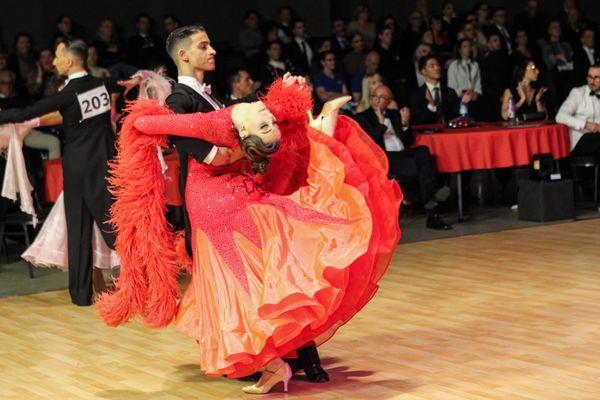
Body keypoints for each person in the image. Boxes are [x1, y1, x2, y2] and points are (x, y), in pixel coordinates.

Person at [96, 74, 401, 394]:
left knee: (250, 285)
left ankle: (273, 365)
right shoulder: (230, 120)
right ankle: (276, 363)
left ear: (244, 134)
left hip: (221, 207)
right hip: (227, 205)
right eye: (267, 124)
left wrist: (212, 146)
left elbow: (147, 123)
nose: (269, 118)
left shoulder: (219, 123)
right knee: (262, 279)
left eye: (267, 124)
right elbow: (268, 112)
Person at [162, 26, 329, 383]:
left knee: (265, 268)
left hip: (232, 192)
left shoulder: (210, 98)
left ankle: (284, 354)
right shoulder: (179, 102)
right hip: (213, 199)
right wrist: (248, 150)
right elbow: (211, 157)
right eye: (203, 46)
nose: (213, 51)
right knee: (258, 271)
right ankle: (286, 355)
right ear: (183, 56)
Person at [0, 39, 137, 306]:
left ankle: (81, 295)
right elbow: (131, 81)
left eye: (59, 57)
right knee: (115, 229)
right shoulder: (103, 85)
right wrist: (135, 80)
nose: (54, 61)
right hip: (104, 166)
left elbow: (26, 112)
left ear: (72, 61)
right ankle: (141, 284)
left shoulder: (67, 93)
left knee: (79, 230)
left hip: (76, 168)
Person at [354, 85, 451, 229]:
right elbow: (368, 144)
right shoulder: (362, 117)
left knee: (423, 150)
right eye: (375, 96)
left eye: (382, 98)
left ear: (389, 101)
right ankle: (428, 202)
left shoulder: (393, 114)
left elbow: (407, 141)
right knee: (425, 169)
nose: (377, 100)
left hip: (402, 154)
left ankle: (415, 196)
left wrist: (405, 125)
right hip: (383, 158)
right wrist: (381, 125)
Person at [410, 55, 473, 124]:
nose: (437, 68)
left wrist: (463, 103)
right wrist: (431, 106)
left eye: (438, 65)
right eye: (432, 66)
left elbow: (457, 117)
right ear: (423, 71)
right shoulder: (416, 94)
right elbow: (416, 122)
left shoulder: (450, 92)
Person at [556, 64, 600, 158]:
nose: (592, 81)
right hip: (579, 142)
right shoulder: (577, 93)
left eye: (596, 78)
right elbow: (560, 116)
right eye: (589, 77)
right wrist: (586, 124)